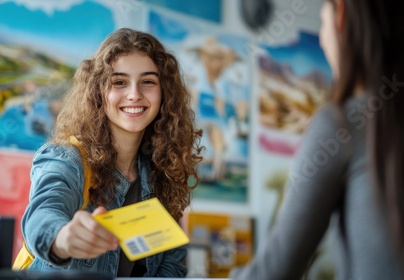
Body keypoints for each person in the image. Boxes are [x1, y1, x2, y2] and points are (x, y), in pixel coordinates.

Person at [233, 0, 404, 279]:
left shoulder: (343, 123)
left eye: (323, 23)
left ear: (342, 15)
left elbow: (273, 272)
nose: (324, 42)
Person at [21, 28, 203, 278]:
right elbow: (42, 215)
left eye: (148, 81)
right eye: (119, 82)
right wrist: (63, 239)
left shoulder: (163, 172)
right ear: (99, 91)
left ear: (165, 94)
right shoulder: (67, 158)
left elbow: (170, 264)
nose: (134, 94)